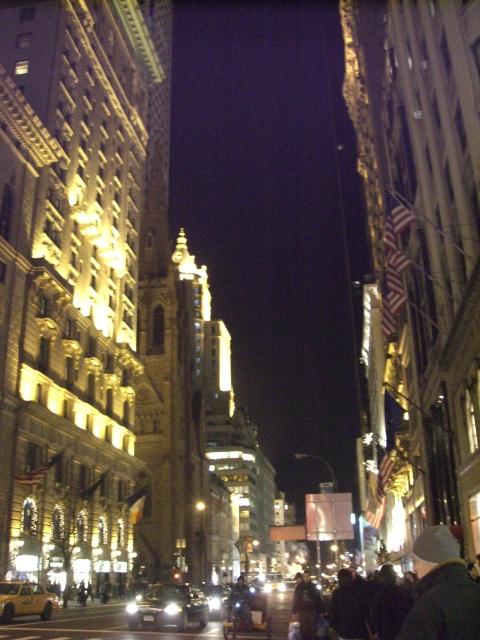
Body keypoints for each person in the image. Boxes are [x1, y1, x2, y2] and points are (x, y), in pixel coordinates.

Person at [397, 525, 480, 640]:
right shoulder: (475, 591)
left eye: (416, 561)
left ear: (431, 561)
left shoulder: (428, 606)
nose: (414, 569)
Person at [369, 564, 413, 640]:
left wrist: (378, 631)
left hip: (386, 632)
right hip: (403, 630)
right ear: (394, 576)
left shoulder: (379, 595)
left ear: (382, 578)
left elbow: (374, 615)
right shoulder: (404, 592)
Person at [329, 568, 369, 640]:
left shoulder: (337, 594)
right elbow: (365, 610)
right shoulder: (357, 592)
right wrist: (372, 628)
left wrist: (334, 627)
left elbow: (333, 611)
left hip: (344, 630)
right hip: (359, 629)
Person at [292, 570, 323, 640]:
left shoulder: (313, 586)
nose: (306, 578)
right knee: (303, 630)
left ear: (309, 577)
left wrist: (321, 611)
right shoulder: (299, 587)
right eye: (304, 576)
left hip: (312, 611)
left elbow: (318, 600)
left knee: (311, 630)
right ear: (303, 577)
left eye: (307, 576)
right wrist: (294, 611)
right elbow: (295, 599)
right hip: (302, 611)